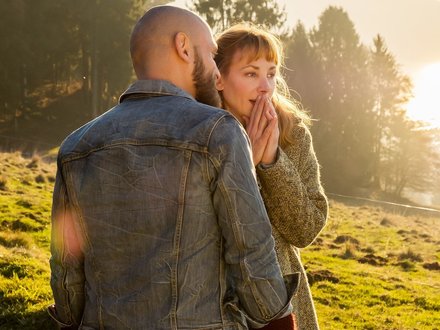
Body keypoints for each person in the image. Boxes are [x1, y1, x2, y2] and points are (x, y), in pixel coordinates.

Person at [48, 6, 299, 330]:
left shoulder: (75, 146)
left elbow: (66, 272)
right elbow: (253, 258)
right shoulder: (217, 132)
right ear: (183, 47)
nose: (217, 74)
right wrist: (278, 322)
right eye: (211, 55)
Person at [215, 24, 329, 330]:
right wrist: (244, 166)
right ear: (219, 78)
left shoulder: (294, 136)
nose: (265, 86)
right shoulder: (199, 135)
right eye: (251, 73)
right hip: (214, 300)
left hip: (282, 300)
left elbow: (305, 230)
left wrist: (273, 163)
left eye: (271, 73)